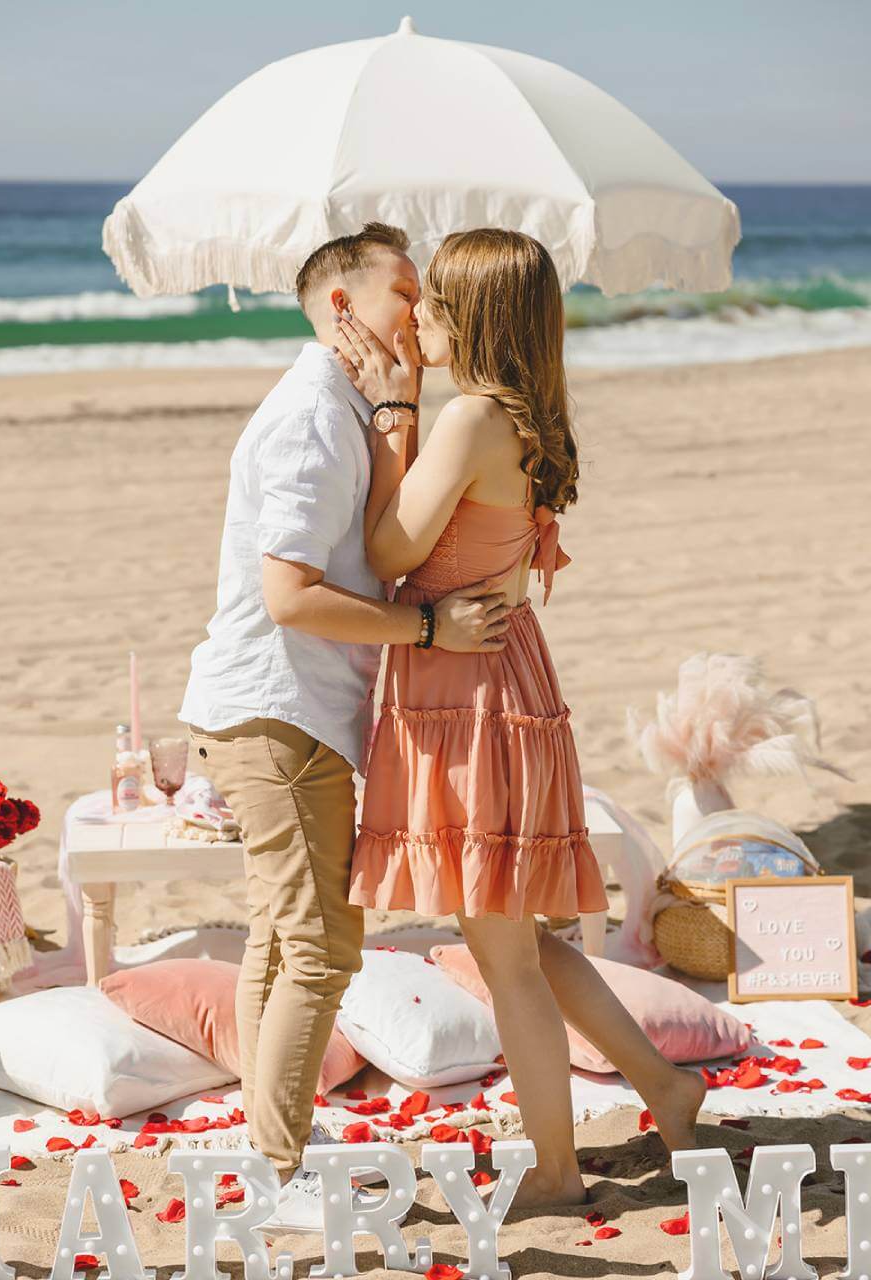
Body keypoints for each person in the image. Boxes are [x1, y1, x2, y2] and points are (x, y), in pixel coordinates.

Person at [332, 226, 708, 1211]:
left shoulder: (466, 419)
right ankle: (666, 1084)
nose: (421, 318)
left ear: (478, 318)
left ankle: (555, 1167)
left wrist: (392, 408)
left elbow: (387, 549)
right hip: (500, 677)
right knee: (520, 939)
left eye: (440, 304)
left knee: (505, 955)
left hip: (469, 692)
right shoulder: (524, 414)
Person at [178, 222, 513, 1231]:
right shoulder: (309, 416)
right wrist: (426, 627)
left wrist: (399, 404)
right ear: (341, 308)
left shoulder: (347, 404)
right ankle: (274, 1171)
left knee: (282, 943)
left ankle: (271, 1134)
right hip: (274, 710)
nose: (420, 311)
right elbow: (290, 594)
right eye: (404, 293)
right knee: (321, 945)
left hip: (292, 708)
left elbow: (387, 529)